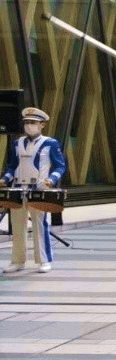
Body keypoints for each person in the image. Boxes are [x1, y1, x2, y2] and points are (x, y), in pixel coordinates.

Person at [2, 107, 67, 273]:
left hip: (39, 188)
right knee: (17, 227)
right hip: (18, 188)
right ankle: (17, 261)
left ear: (42, 125)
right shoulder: (17, 143)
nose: (29, 125)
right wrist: (5, 179)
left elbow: (60, 166)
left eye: (33, 122)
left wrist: (51, 180)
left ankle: (43, 260)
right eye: (26, 122)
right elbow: (11, 166)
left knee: (40, 226)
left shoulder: (50, 143)